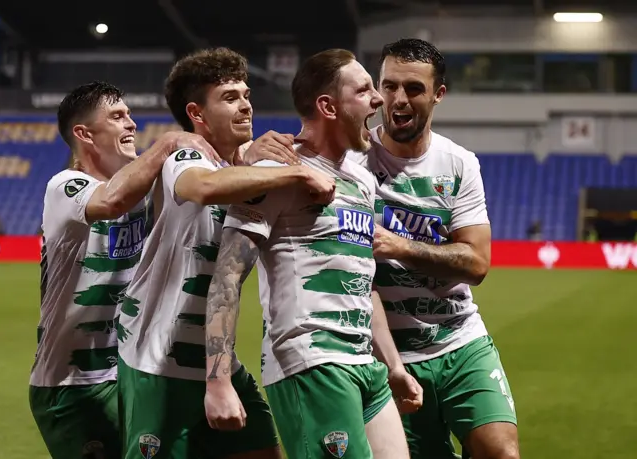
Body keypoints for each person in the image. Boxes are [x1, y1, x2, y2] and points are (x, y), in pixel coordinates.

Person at [116, 47, 335, 459]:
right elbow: (202, 186)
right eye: (230, 97)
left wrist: (264, 159)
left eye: (246, 94)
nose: (245, 104)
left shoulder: (249, 163)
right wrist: (300, 171)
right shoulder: (187, 155)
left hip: (216, 360)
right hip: (158, 358)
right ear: (197, 113)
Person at [203, 48, 411, 459]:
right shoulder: (274, 173)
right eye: (365, 90)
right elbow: (227, 275)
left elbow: (362, 279)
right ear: (327, 106)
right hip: (311, 360)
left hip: (364, 365)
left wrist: (393, 364)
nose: (380, 99)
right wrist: (218, 380)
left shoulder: (361, 180)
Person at [349, 38, 520, 459]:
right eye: (389, 86)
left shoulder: (459, 163)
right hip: (389, 354)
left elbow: (476, 263)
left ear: (438, 94)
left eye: (413, 88)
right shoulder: (351, 162)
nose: (398, 99)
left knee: (502, 453)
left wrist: (397, 246)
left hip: (461, 340)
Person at [30, 81, 215, 459]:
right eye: (117, 117)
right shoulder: (65, 187)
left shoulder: (146, 187)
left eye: (130, 114)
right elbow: (112, 200)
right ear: (85, 134)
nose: (131, 124)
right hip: (71, 383)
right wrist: (164, 144)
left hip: (131, 372)